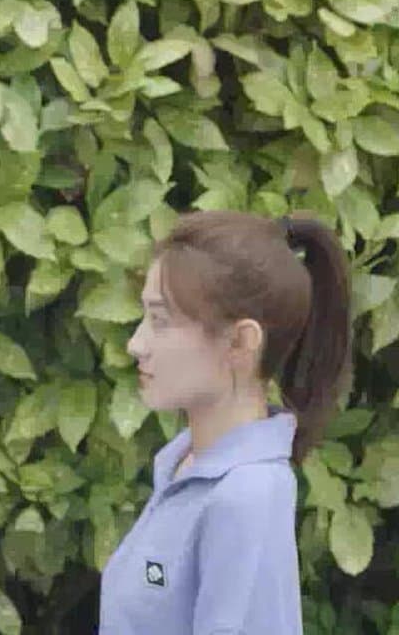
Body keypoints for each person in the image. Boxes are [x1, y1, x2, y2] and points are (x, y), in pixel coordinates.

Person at [99, 210, 351, 634]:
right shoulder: (182, 466)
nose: (136, 344)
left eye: (159, 320)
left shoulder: (246, 495)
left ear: (240, 342)